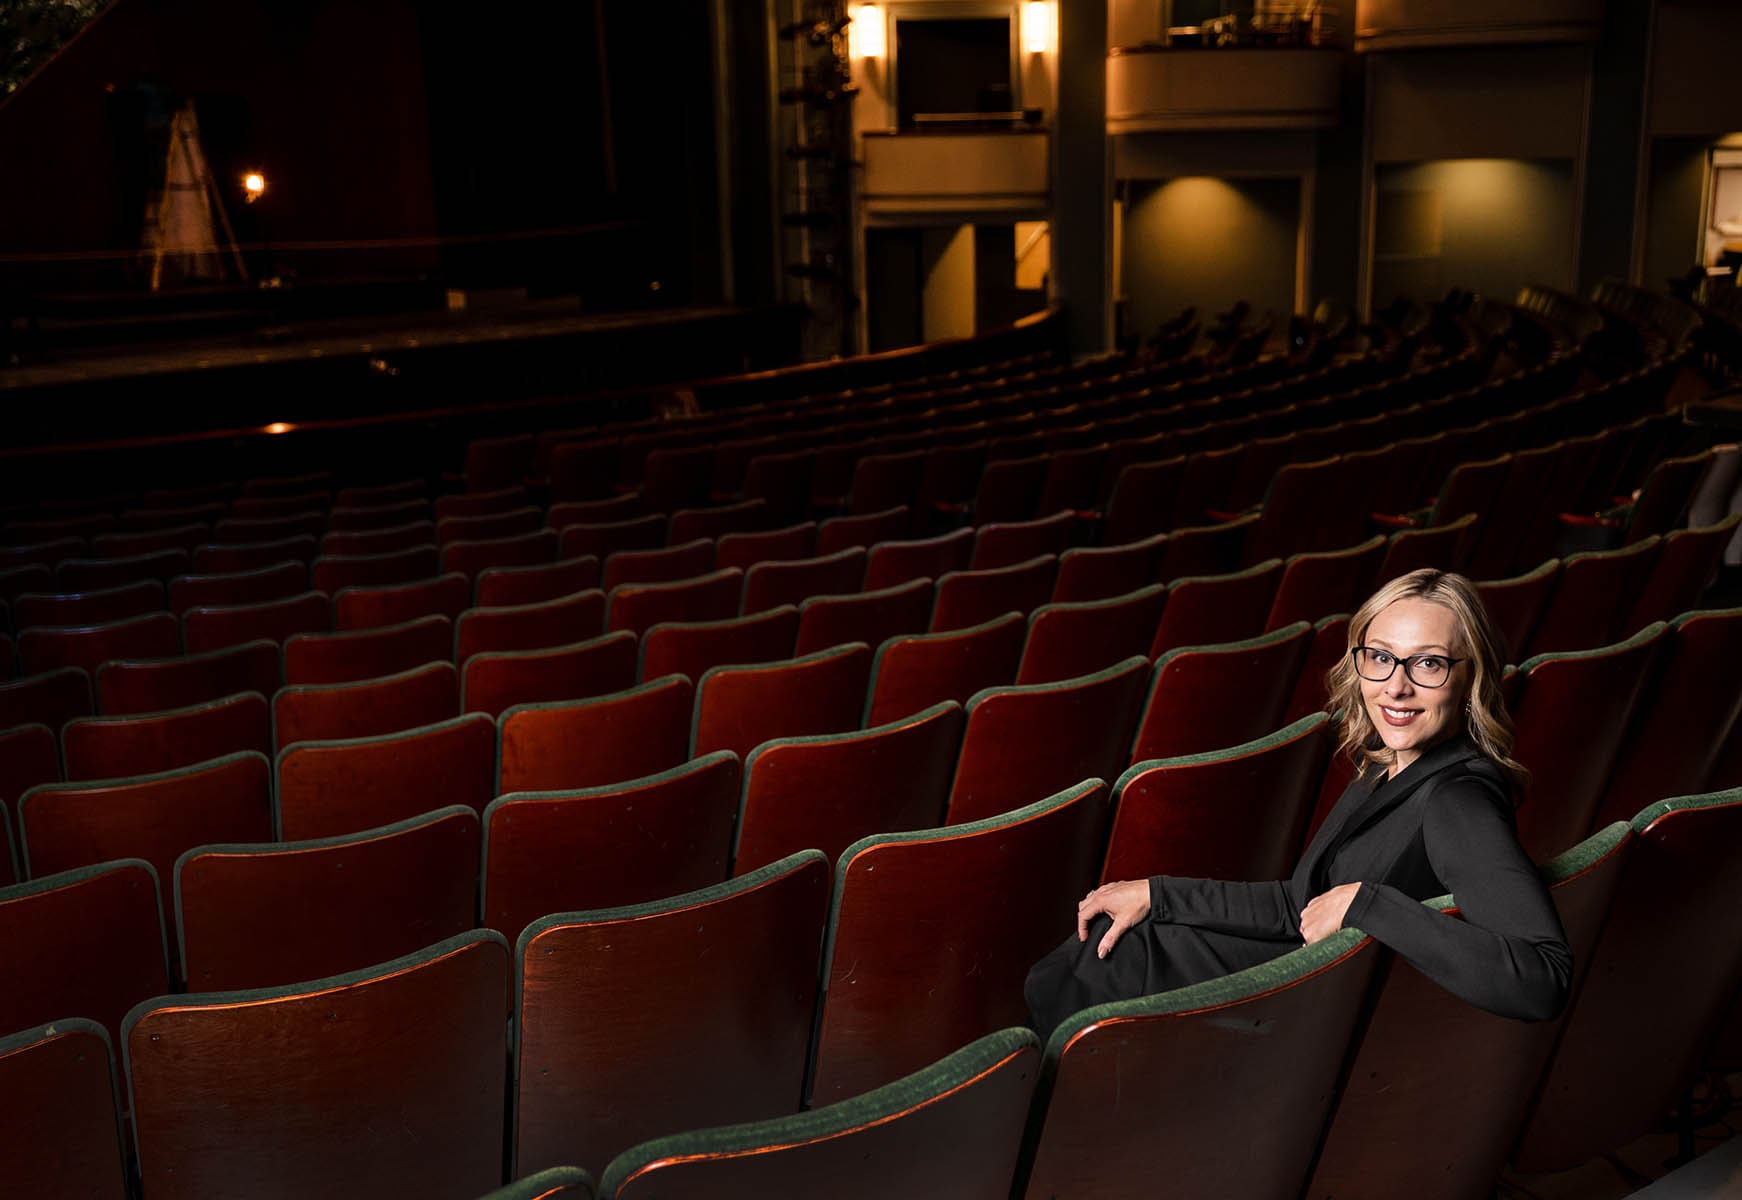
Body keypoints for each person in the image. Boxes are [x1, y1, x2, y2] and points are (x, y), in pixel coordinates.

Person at [1024, 568, 1571, 1036]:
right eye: (1380, 657)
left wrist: (1369, 904)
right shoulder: (1390, 763)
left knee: (1104, 964)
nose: (1395, 687)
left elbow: (1541, 978)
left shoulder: (1457, 800)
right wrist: (1158, 893)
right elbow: (1300, 905)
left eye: (1427, 664)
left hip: (1304, 1022)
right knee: (1109, 941)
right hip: (1306, 985)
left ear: (1470, 675)